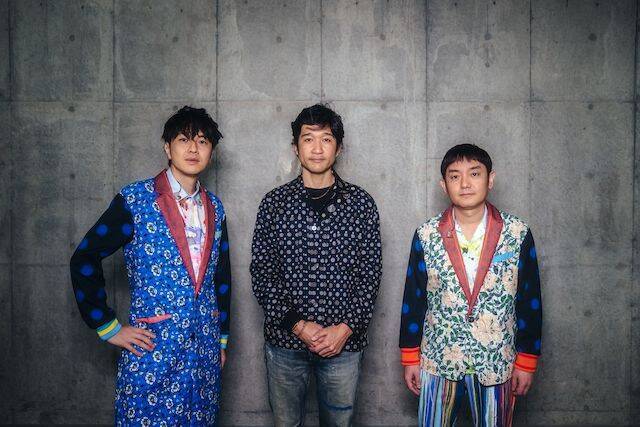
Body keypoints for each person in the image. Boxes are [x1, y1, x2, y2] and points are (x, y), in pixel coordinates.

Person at [70, 106, 231, 426]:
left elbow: (221, 278)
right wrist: (107, 326)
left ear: (211, 151)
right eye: (183, 139)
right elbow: (84, 257)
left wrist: (221, 340)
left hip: (204, 353)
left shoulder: (215, 206)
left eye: (202, 141)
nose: (193, 148)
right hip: (154, 349)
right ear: (167, 147)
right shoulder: (136, 199)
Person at [251, 104, 382, 426]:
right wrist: (298, 325)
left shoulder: (360, 204)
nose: (317, 148)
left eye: (326, 139)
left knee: (338, 423)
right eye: (308, 139)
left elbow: (370, 274)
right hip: (285, 341)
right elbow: (263, 273)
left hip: (343, 343)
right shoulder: (274, 204)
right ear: (296, 147)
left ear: (339, 147)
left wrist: (344, 328)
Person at [399, 144, 542, 426]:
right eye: (455, 176)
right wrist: (410, 357)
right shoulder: (426, 234)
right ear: (444, 185)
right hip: (439, 359)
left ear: (490, 179)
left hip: (496, 360)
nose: (465, 183)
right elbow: (413, 299)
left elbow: (530, 300)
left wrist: (526, 361)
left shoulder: (517, 233)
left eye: (474, 174)